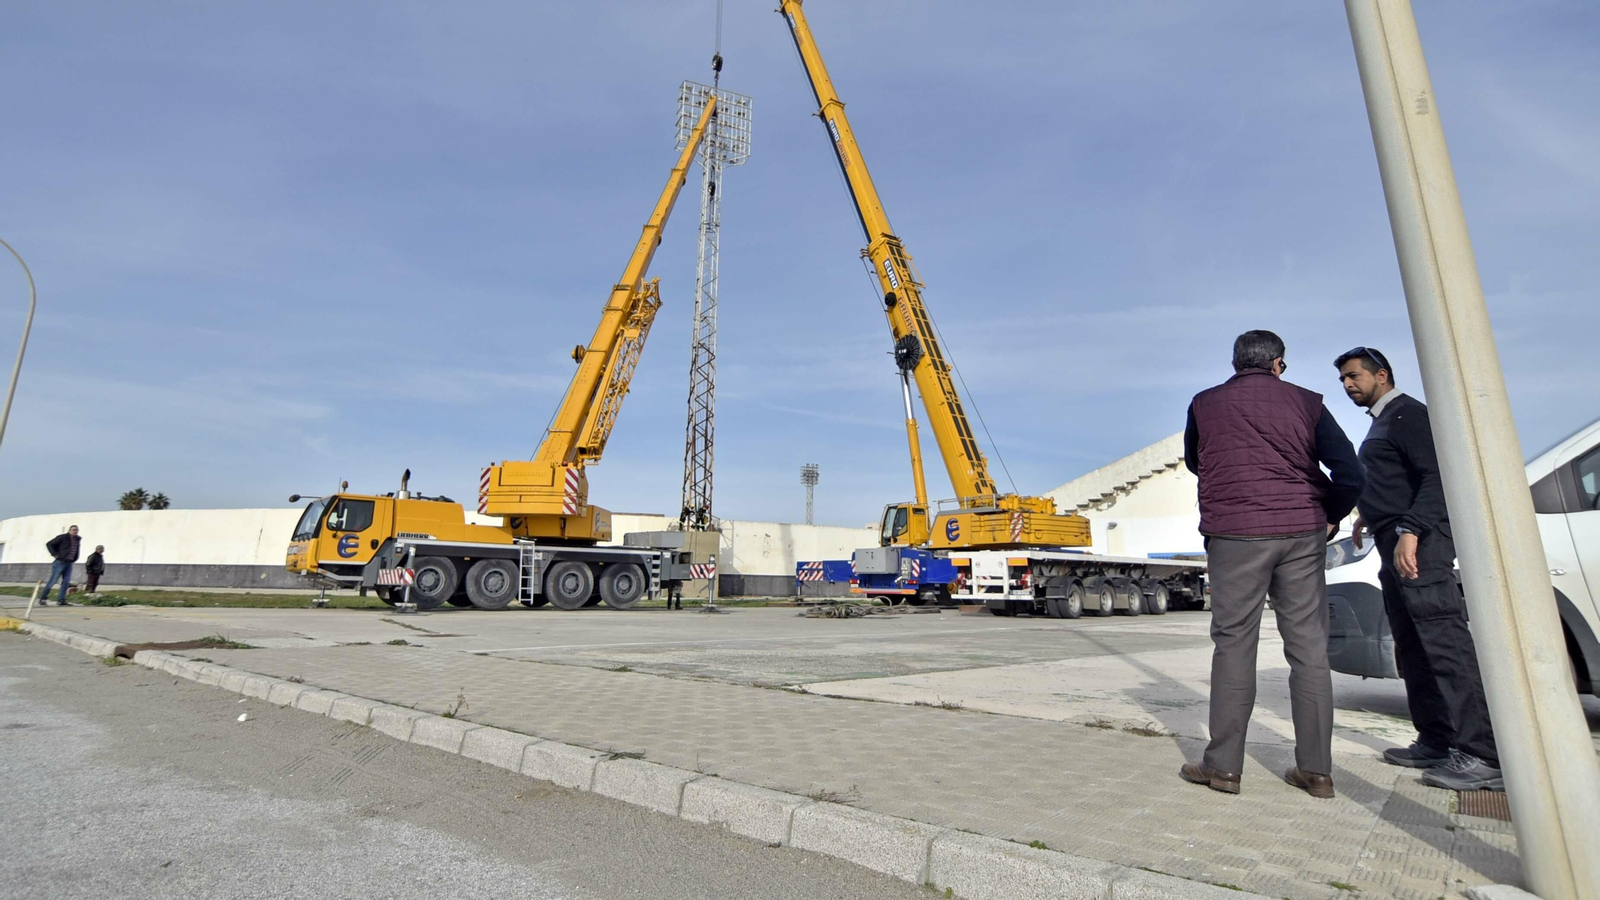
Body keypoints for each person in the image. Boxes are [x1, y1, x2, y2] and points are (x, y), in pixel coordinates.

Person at [1180, 330, 1364, 799]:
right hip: (1302, 532)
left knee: (1234, 643)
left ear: (1236, 362)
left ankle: (1222, 769)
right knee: (1308, 648)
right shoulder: (1308, 402)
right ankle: (1317, 773)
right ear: (1278, 364)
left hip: (1234, 533)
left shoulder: (1204, 403)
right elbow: (1351, 471)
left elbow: (1195, 461)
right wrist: (1331, 515)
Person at [1335, 346, 1502, 792]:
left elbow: (1437, 476)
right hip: (1394, 539)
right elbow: (1398, 479)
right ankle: (1436, 739)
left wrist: (1411, 528)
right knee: (1413, 647)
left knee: (1444, 644)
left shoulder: (1408, 414)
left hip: (1420, 543)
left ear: (1382, 375)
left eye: (1354, 376)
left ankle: (1485, 755)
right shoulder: (1385, 422)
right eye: (1343, 380)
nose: (1348, 385)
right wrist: (1368, 514)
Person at [43, 525, 82, 606]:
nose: (75, 531)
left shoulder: (77, 539)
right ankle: (43, 598)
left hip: (69, 563)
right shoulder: (63, 537)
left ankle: (61, 600)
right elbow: (49, 544)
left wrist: (74, 559)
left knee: (66, 582)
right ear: (69, 530)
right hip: (60, 562)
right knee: (53, 580)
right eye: (73, 530)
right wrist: (55, 554)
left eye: (76, 530)